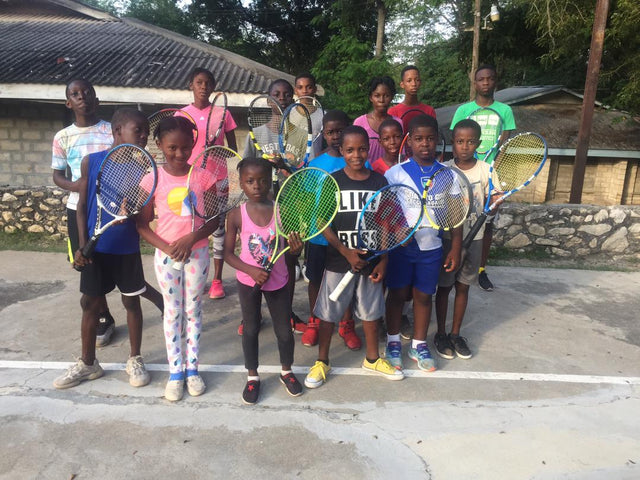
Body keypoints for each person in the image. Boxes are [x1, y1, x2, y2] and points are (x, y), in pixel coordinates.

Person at [51, 79, 162, 348]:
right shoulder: (92, 160)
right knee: (90, 300)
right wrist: (81, 244)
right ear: (118, 131)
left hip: (125, 246)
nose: (144, 136)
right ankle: (88, 361)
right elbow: (81, 206)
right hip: (94, 237)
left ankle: (135, 357)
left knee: (131, 298)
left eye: (147, 132)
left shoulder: (142, 170)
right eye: (139, 131)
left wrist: (132, 210)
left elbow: (141, 210)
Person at [304, 125, 404, 389]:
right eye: (350, 150)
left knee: (371, 314)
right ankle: (322, 361)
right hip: (339, 262)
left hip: (371, 262)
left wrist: (383, 258)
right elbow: (323, 222)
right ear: (342, 151)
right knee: (328, 315)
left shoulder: (378, 182)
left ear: (368, 149)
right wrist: (344, 251)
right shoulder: (332, 181)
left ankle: (372, 359)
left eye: (361, 149)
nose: (356, 155)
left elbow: (384, 222)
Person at [136, 116, 219, 402]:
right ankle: (175, 372)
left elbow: (212, 221)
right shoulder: (152, 179)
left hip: (197, 254)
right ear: (159, 145)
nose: (179, 154)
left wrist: (191, 239)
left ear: (193, 145)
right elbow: (143, 225)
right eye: (172, 148)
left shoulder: (203, 176)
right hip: (166, 257)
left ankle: (192, 369)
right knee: (173, 312)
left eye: (185, 148)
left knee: (193, 310)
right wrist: (169, 247)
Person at [383, 115, 462, 372]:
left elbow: (455, 214)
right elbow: (384, 210)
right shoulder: (394, 173)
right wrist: (396, 231)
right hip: (401, 248)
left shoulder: (448, 175)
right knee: (396, 295)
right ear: (409, 142)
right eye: (418, 139)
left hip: (432, 249)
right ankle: (393, 341)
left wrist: (456, 247)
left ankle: (419, 344)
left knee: (423, 296)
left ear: (438, 140)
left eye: (430, 138)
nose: (425, 144)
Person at [223, 157, 304, 404]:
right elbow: (226, 254)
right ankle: (252, 376)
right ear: (242, 183)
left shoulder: (281, 211)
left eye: (262, 180)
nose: (256, 185)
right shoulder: (236, 215)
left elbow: (292, 251)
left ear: (270, 182)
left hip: (278, 280)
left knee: (284, 331)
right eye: (250, 181)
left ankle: (286, 371)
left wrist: (296, 250)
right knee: (250, 329)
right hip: (248, 282)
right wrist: (250, 270)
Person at [242, 78, 307, 336]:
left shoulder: (300, 135)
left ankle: (286, 311)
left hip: (290, 203)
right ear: (269, 100)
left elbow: (304, 170)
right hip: (263, 207)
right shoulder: (256, 134)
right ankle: (253, 314)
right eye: (276, 94)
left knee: (288, 258)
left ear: (292, 99)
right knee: (259, 258)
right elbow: (247, 168)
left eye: (286, 94)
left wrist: (286, 166)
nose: (281, 98)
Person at [435, 119, 502, 360]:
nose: (465, 146)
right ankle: (440, 333)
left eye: (470, 142)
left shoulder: (486, 170)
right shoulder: (443, 169)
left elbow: (492, 205)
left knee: (463, 287)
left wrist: (494, 205)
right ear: (453, 143)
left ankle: (455, 334)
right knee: (443, 288)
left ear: (479, 144)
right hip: (446, 239)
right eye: (460, 141)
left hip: (475, 238)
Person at [450, 64, 516, 292]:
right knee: (457, 222)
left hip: (488, 175)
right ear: (474, 82)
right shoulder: (463, 110)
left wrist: (492, 170)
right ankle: (453, 260)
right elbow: (455, 141)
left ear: (495, 81)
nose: (485, 83)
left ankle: (480, 269)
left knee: (485, 226)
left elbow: (505, 145)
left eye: (490, 79)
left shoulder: (505, 110)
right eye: (481, 79)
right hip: (464, 173)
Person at [302, 110, 362, 351]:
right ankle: (314, 321)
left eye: (340, 131)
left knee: (346, 282)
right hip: (319, 237)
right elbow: (305, 199)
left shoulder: (359, 162)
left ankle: (346, 324)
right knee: (315, 279)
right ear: (323, 134)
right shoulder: (315, 165)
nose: (335, 136)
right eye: (330, 132)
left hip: (347, 238)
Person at [180, 67, 238, 301]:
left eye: (208, 83)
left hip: (219, 179)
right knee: (193, 228)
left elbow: (232, 151)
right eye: (199, 82)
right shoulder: (181, 115)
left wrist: (234, 182)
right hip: (192, 180)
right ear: (191, 86)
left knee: (218, 229)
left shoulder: (224, 113)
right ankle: (195, 276)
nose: (204, 87)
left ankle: (216, 279)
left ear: (213, 87)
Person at [353, 76, 403, 163]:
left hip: (392, 173)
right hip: (367, 174)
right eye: (377, 95)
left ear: (392, 97)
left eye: (386, 95)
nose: (381, 100)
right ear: (371, 97)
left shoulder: (397, 123)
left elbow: (401, 153)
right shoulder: (360, 123)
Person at [388, 65, 437, 132]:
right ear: (402, 84)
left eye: (417, 80)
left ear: (420, 83)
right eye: (409, 80)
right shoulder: (393, 112)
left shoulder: (429, 111)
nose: (413, 84)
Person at [294, 72, 323, 159]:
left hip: (315, 167)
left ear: (315, 89)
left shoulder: (323, 115)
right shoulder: (287, 114)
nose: (304, 91)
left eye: (309, 87)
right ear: (295, 90)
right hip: (294, 166)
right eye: (300, 87)